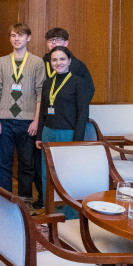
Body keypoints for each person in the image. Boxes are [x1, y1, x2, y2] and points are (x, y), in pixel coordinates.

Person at [33, 28, 95, 209]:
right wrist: (39, 136)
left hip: (67, 133)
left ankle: (68, 212)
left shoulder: (78, 82)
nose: (58, 63)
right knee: (46, 173)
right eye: (54, 60)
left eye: (62, 59)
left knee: (66, 174)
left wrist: (77, 140)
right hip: (48, 133)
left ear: (69, 61)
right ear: (50, 61)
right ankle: (48, 208)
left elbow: (83, 112)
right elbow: (44, 110)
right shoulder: (47, 83)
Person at [0, 24, 46, 210]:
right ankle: (4, 201)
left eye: (21, 35)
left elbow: (41, 93)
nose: (17, 39)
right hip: (3, 120)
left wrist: (37, 121)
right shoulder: (1, 61)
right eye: (13, 35)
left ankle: (25, 202)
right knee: (2, 164)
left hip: (28, 122)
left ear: (28, 38)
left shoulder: (37, 63)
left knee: (26, 165)